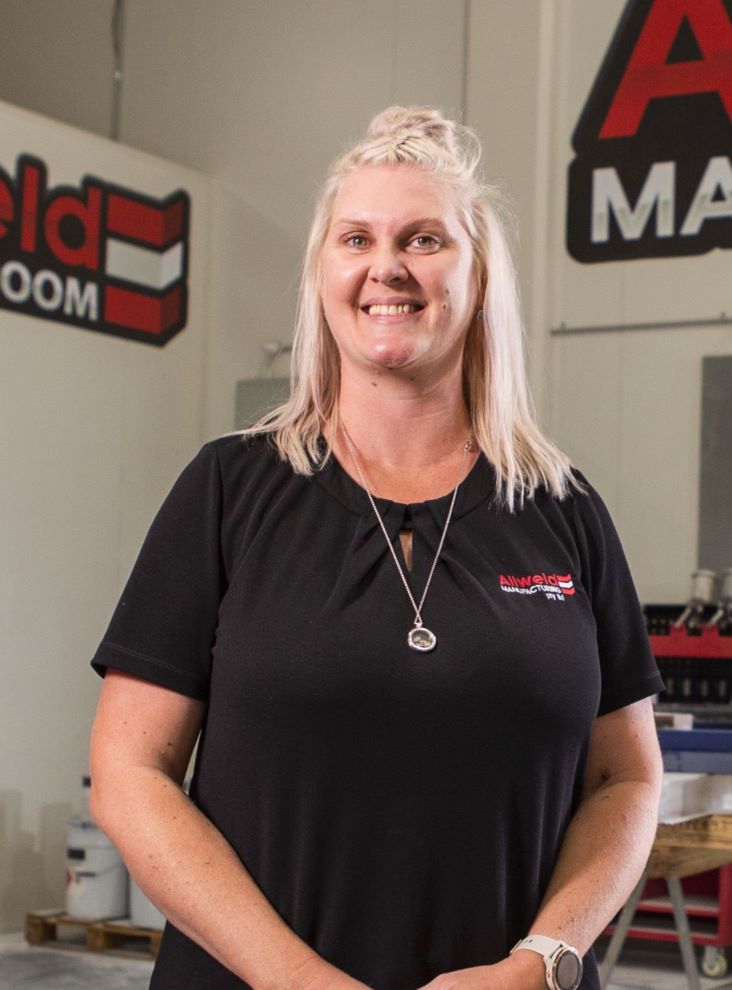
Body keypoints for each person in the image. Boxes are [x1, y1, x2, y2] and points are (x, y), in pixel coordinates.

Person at [89, 106, 664, 990]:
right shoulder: (228, 491)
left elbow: (626, 780)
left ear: (478, 281)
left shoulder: (563, 508)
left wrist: (542, 963)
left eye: (424, 239)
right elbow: (130, 768)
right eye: (356, 238)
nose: (386, 265)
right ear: (323, 274)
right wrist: (295, 979)